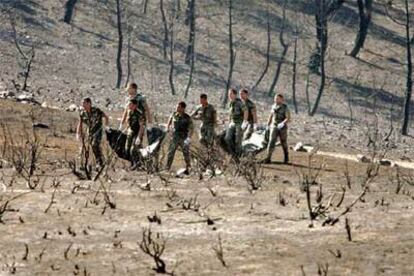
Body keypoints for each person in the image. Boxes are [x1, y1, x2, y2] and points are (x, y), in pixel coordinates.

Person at [76, 97, 109, 168]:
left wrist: (106, 126)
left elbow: (106, 117)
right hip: (90, 132)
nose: (83, 105)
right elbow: (80, 123)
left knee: (94, 145)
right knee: (86, 147)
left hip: (98, 131)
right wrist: (78, 133)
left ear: (89, 103)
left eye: (84, 103)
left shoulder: (96, 110)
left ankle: (99, 162)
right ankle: (83, 164)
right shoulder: (82, 113)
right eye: (82, 103)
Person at [263, 93, 291, 164]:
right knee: (271, 141)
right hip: (274, 126)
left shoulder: (285, 107)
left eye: (277, 98)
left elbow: (288, 118)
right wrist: (268, 125)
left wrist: (282, 123)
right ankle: (268, 158)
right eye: (275, 98)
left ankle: (286, 158)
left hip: (282, 127)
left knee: (283, 142)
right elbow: (271, 116)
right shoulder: (273, 106)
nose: (276, 100)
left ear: (282, 99)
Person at [165, 101, 194, 171]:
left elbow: (191, 128)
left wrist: (189, 138)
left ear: (183, 108)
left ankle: (189, 167)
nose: (177, 108)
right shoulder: (174, 114)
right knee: (170, 153)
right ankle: (167, 168)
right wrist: (167, 128)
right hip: (175, 137)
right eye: (177, 107)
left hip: (184, 137)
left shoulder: (187, 117)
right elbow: (169, 122)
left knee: (186, 153)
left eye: (179, 107)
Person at [224, 88, 248, 157]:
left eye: (231, 94)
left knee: (238, 140)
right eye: (229, 94)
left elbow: (245, 111)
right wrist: (229, 122)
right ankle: (232, 152)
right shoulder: (231, 103)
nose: (230, 95)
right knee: (227, 138)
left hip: (239, 123)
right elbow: (230, 114)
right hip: (233, 122)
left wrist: (244, 121)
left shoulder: (239, 102)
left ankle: (238, 154)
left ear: (235, 95)